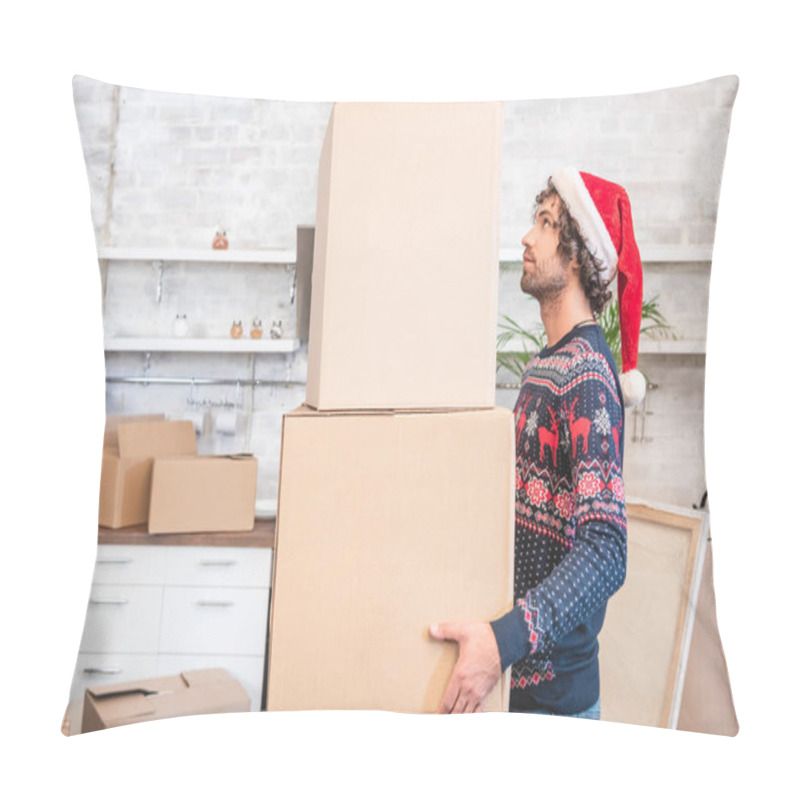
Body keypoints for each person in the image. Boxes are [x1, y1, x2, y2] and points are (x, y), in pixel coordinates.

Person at [430, 166, 645, 718]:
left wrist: (501, 641)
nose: (528, 236)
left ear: (578, 256)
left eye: (546, 224)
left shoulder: (588, 379)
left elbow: (606, 552)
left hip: (555, 704)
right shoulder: (546, 366)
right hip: (518, 689)